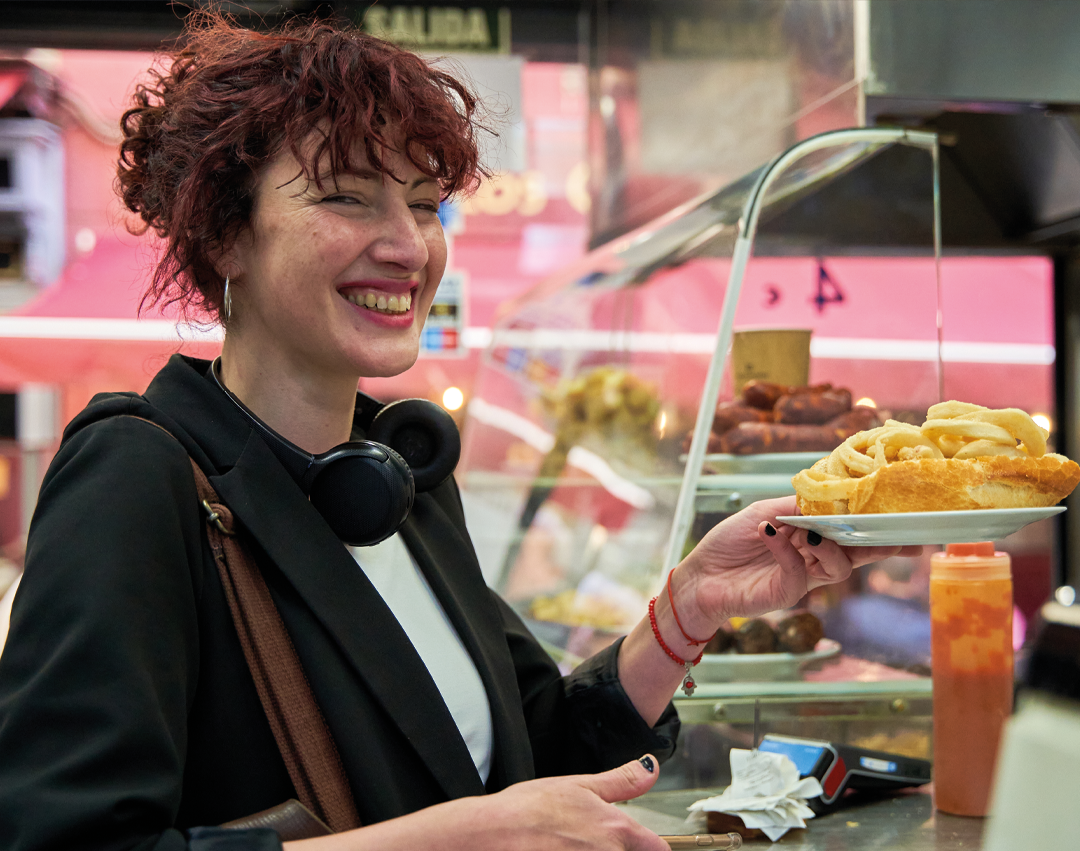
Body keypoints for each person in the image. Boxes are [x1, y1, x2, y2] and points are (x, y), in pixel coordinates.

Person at [0, 13, 918, 851]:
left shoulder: (400, 477)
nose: (409, 244)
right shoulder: (137, 474)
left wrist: (692, 607)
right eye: (348, 198)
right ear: (223, 236)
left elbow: (537, 749)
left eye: (427, 202)